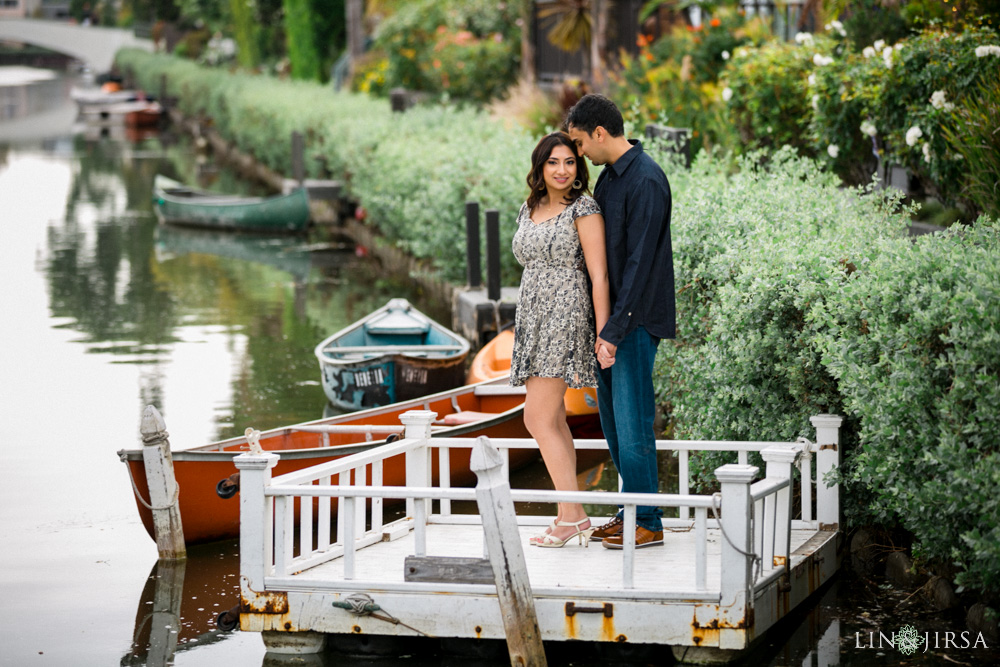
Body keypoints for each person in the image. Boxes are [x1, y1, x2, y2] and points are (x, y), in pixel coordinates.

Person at [566, 94, 674, 550]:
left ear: (600, 133)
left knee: (633, 425)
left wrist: (612, 331)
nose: (578, 154)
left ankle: (648, 520)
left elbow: (639, 264)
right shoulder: (609, 180)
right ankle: (631, 510)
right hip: (609, 326)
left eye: (579, 143)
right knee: (613, 427)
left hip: (634, 324)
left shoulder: (646, 180)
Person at [509, 131, 611, 548]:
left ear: (578, 167)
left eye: (570, 162)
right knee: (552, 420)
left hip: (564, 316)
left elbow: (599, 274)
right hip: (532, 315)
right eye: (554, 162)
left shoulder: (583, 209)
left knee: (536, 418)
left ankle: (573, 516)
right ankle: (568, 512)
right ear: (540, 166)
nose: (563, 170)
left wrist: (603, 333)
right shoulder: (529, 206)